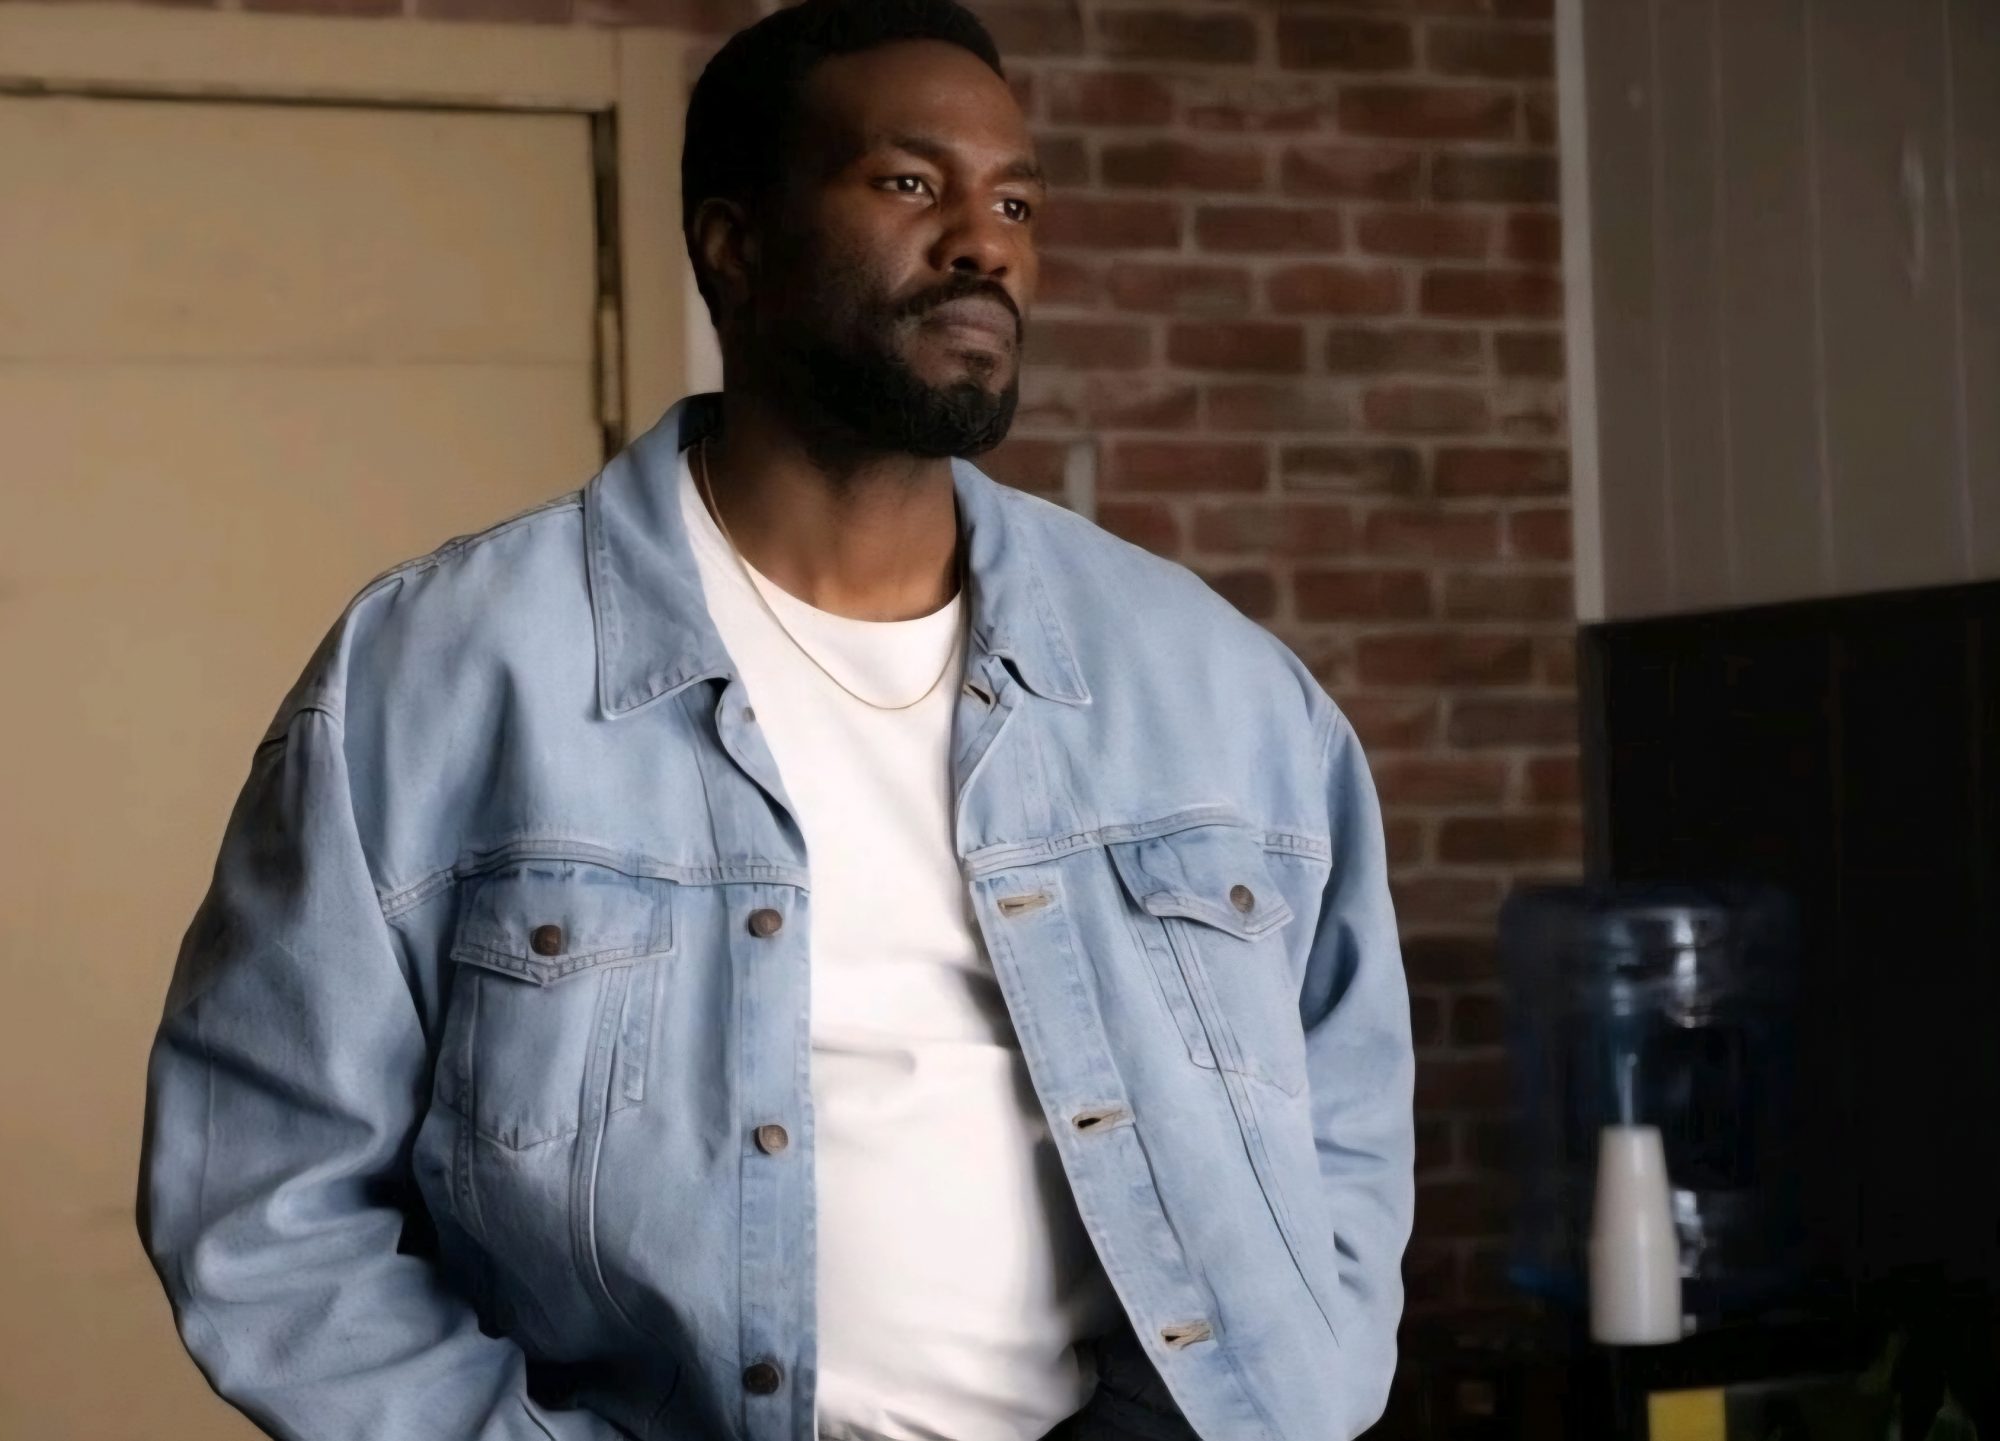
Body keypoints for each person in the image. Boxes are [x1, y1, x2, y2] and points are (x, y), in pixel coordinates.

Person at [137, 0, 1413, 1435]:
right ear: (731, 246)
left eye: (1015, 201)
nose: (982, 243)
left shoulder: (1218, 685)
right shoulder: (438, 672)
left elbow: (1344, 1128)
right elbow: (261, 1200)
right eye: (910, 184)